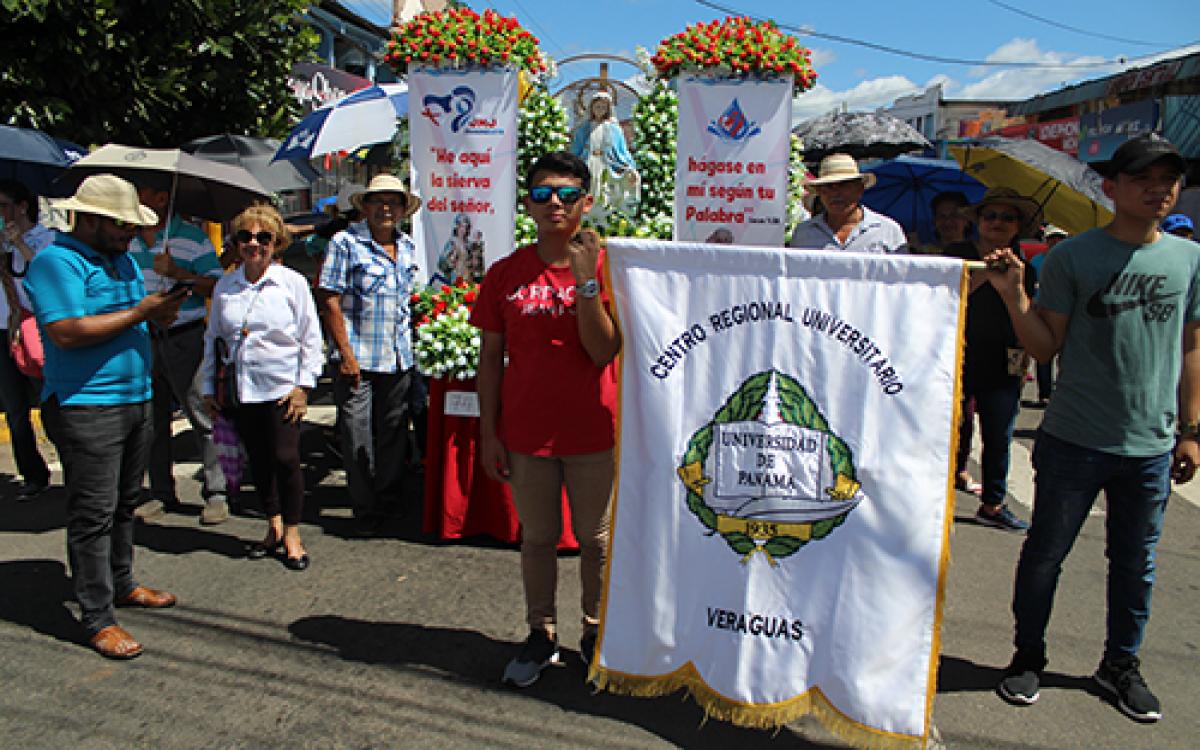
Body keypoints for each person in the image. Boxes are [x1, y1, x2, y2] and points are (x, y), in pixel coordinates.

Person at [986, 134, 1200, 722]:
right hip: (1074, 439)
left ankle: (1120, 666)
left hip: (1151, 447)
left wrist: (1192, 429)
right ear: (1112, 189)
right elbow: (1045, 345)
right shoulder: (1073, 258)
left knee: (1137, 564)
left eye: (1169, 179)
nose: (1159, 189)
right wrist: (1014, 297)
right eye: (1144, 179)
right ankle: (1027, 657)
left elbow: (1191, 348)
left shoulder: (1189, 258)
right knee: (1045, 555)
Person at [472, 151, 621, 688]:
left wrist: (585, 281)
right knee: (537, 537)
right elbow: (490, 359)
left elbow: (603, 351)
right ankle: (542, 633)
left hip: (591, 430)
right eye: (541, 193)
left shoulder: (609, 268)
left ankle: (595, 632)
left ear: (586, 200)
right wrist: (489, 431)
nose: (554, 202)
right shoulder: (506, 274)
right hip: (527, 431)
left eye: (566, 193)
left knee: (596, 539)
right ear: (528, 203)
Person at [23, 174, 187, 659]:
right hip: (86, 405)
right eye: (120, 225)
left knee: (123, 504)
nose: (129, 235)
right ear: (88, 218)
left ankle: (121, 583)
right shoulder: (57, 261)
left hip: (136, 398)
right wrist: (141, 314)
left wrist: (160, 314)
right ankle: (96, 617)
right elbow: (68, 331)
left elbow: (130, 317)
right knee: (92, 513)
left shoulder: (122, 260)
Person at [201, 205, 323, 571]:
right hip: (241, 387)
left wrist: (304, 386)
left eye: (263, 238)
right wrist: (208, 385)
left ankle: (293, 531)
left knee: (286, 458)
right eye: (246, 237)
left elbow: (311, 338)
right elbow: (213, 340)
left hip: (281, 386)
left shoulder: (292, 283)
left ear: (276, 242)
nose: (254, 245)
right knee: (259, 460)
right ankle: (272, 525)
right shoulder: (226, 285)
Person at [317, 173, 421, 536]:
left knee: (393, 430)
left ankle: (388, 496)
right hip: (357, 356)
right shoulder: (345, 243)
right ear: (366, 207)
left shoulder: (408, 246)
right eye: (378, 201)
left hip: (398, 357)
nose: (386, 208)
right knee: (356, 433)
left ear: (403, 209)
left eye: (393, 201)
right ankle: (364, 507)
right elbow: (329, 297)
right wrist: (345, 353)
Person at [127, 179, 229, 525]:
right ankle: (161, 492)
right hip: (143, 337)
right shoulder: (127, 238)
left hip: (185, 337)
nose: (135, 199)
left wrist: (178, 273)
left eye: (140, 192)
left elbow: (217, 282)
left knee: (202, 414)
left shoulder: (190, 237)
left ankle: (217, 492)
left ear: (160, 198)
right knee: (151, 421)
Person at [944, 187, 1039, 532]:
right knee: (953, 427)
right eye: (991, 216)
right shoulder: (957, 254)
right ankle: (942, 497)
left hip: (1003, 360)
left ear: (1018, 227)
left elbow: (1026, 311)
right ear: (978, 222)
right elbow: (945, 298)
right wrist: (986, 270)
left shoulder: (1023, 267)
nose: (997, 223)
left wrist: (1025, 353)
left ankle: (993, 503)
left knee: (999, 434)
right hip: (956, 354)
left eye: (1007, 218)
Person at [0, 179, 53, 500]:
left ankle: (76, 468)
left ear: (22, 206)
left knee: (50, 402)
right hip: (6, 328)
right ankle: (32, 474)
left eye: (4, 205)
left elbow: (48, 273)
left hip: (38, 328)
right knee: (14, 407)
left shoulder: (47, 238)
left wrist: (19, 244)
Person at [788, 153, 907, 254]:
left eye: (844, 185)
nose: (836, 194)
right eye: (829, 187)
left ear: (859, 189)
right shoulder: (803, 233)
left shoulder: (888, 231)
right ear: (819, 192)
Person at [570, 90, 640, 221]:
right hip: (589, 162)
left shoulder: (614, 128)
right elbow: (576, 148)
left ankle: (606, 216)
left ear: (608, 109)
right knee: (589, 187)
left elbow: (621, 150)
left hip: (606, 163)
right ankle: (587, 215)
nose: (600, 110)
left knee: (605, 190)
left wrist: (630, 166)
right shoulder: (584, 127)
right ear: (591, 108)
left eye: (603, 107)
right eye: (597, 107)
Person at [1029, 226, 1069, 407]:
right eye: (1052, 238)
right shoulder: (1037, 260)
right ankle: (1044, 393)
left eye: (1060, 238)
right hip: (1041, 309)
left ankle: (1063, 393)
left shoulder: (1072, 260)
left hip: (1067, 312)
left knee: (1067, 356)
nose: (1056, 242)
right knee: (1043, 355)